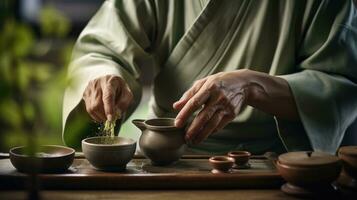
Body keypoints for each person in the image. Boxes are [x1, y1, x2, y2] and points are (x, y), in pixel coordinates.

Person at [62, 0, 357, 155]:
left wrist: (254, 86)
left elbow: (340, 86)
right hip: (165, 158)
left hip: (273, 164)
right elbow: (102, 49)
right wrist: (104, 76)